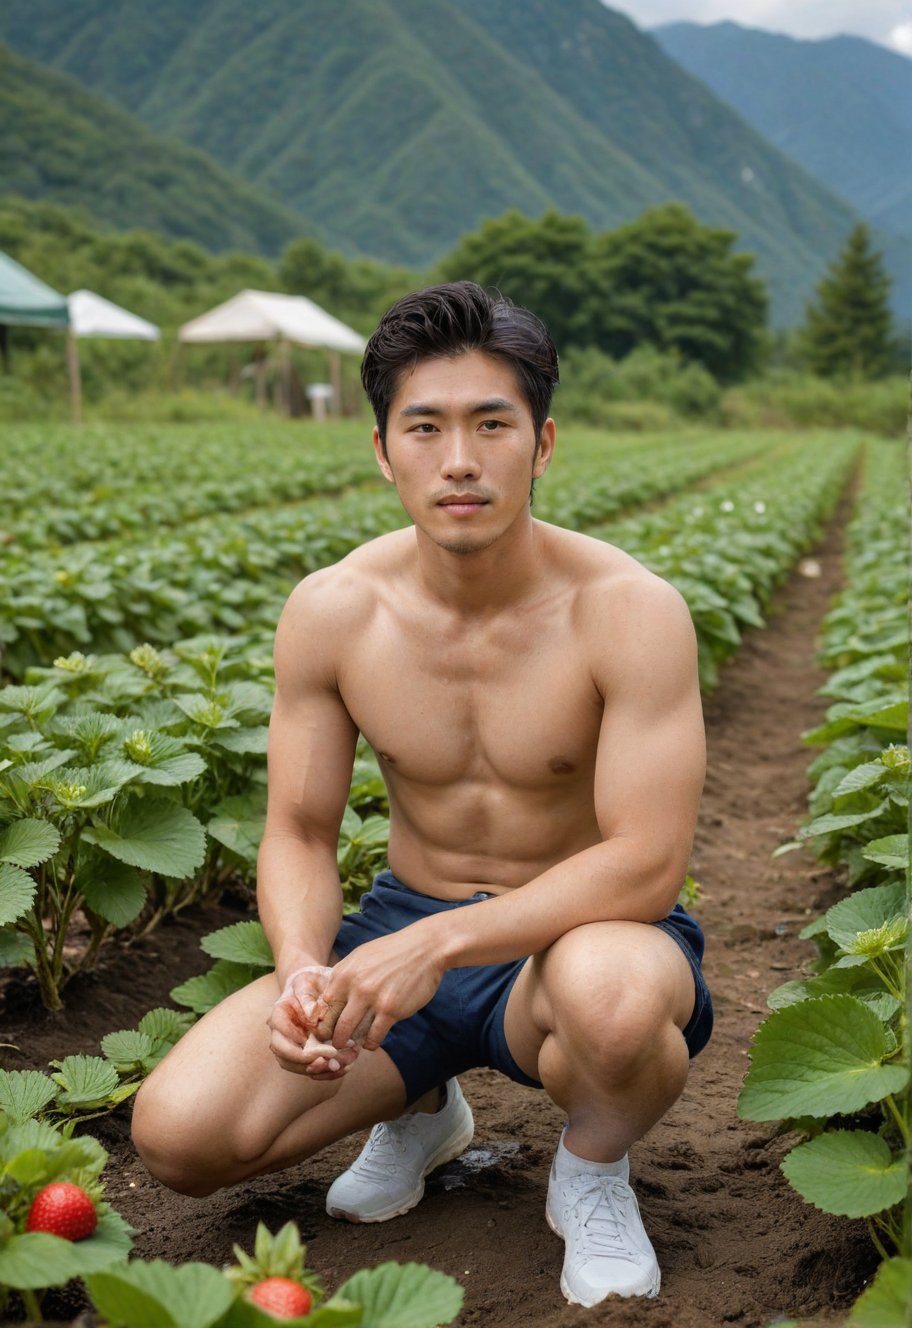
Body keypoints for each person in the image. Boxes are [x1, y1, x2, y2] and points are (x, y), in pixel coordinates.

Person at [132, 281, 712, 1308]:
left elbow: (645, 860)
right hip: (406, 927)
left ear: (541, 445)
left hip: (576, 938)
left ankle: (591, 1164)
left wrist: (440, 944)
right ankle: (423, 1102)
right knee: (179, 1135)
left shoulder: (629, 612)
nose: (459, 460)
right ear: (381, 449)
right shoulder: (334, 611)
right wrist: (310, 966)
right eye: (426, 426)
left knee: (616, 1002)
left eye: (493, 424)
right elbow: (301, 831)